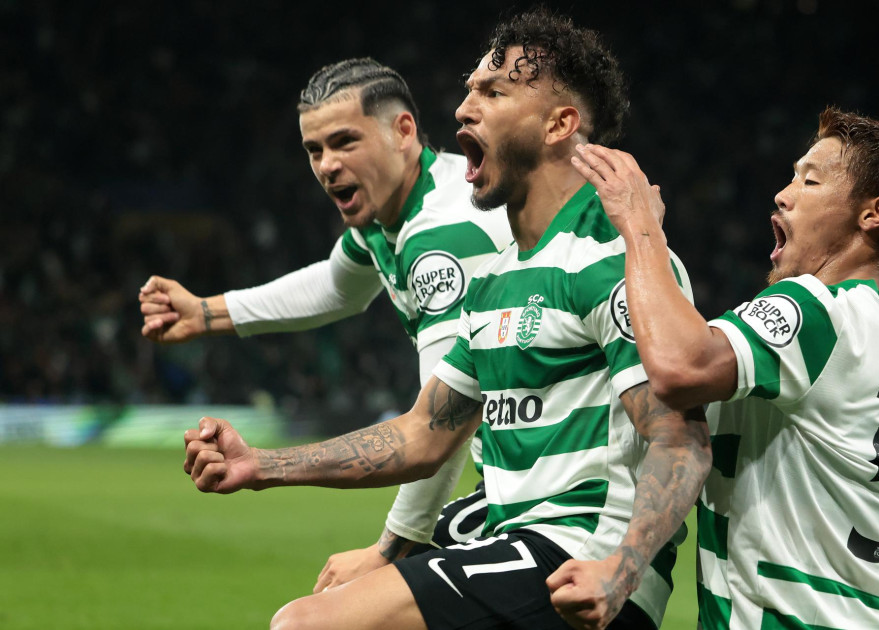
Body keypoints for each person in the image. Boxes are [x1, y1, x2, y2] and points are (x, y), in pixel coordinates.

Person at [184, 9, 712, 630]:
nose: (463, 108)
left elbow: (680, 442)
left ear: (559, 124)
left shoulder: (612, 258)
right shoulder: (496, 273)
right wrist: (261, 465)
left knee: (307, 624)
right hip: (517, 541)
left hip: (578, 560)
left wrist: (622, 569)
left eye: (492, 92)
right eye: (468, 90)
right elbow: (424, 433)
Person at [138, 57, 513, 587]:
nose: (326, 165)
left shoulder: (443, 237)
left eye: (344, 142)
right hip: (521, 473)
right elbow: (335, 285)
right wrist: (205, 312)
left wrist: (391, 548)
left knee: (344, 613)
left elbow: (439, 430)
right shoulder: (394, 211)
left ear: (403, 131)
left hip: (566, 486)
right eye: (314, 150)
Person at [572, 107, 879, 629]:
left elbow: (680, 367)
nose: (784, 194)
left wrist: (639, 226)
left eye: (810, 180)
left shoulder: (818, 309)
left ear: (873, 213)